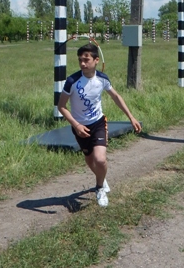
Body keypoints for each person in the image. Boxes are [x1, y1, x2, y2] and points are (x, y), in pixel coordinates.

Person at [58, 43, 142, 207]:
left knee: (100, 159)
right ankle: (102, 179)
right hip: (79, 127)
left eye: (86, 59)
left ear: (96, 60)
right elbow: (61, 106)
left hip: (98, 123)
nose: (83, 63)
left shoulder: (102, 79)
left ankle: (99, 188)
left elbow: (116, 97)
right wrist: (76, 125)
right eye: (80, 60)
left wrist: (131, 117)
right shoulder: (72, 81)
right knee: (90, 160)